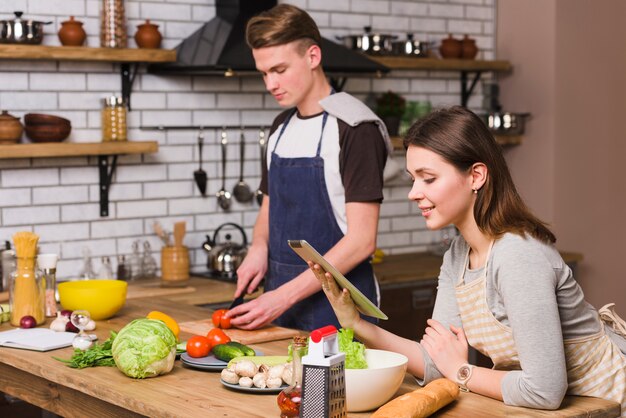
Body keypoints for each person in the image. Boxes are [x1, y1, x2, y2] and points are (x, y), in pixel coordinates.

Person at [310, 106, 626, 413]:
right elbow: (436, 364)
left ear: (475, 176)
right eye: (413, 179)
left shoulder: (518, 256)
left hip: (610, 403)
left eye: (428, 178)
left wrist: (462, 371)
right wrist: (357, 324)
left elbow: (543, 390)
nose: (413, 192)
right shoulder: (458, 256)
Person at [226, 4, 391, 331]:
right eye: (264, 73)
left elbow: (361, 240)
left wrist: (283, 297)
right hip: (281, 304)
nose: (270, 83)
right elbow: (269, 208)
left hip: (340, 310)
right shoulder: (280, 128)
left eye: (280, 69)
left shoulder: (354, 129)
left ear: (313, 56)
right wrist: (258, 247)